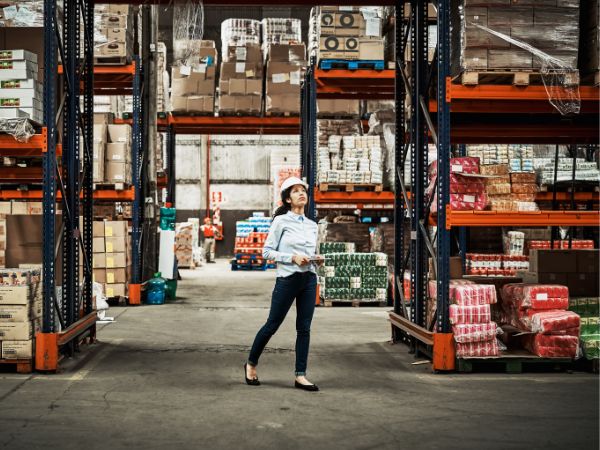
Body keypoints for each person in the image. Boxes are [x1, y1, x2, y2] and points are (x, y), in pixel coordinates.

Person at [244, 177, 324, 392]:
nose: (301, 194)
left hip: (308, 279)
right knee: (272, 325)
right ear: (288, 199)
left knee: (304, 329)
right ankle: (251, 364)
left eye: (303, 190)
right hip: (287, 280)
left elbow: (306, 254)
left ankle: (301, 375)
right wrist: (292, 258)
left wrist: (316, 259)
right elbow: (267, 252)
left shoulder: (312, 225)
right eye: (296, 191)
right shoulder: (281, 222)